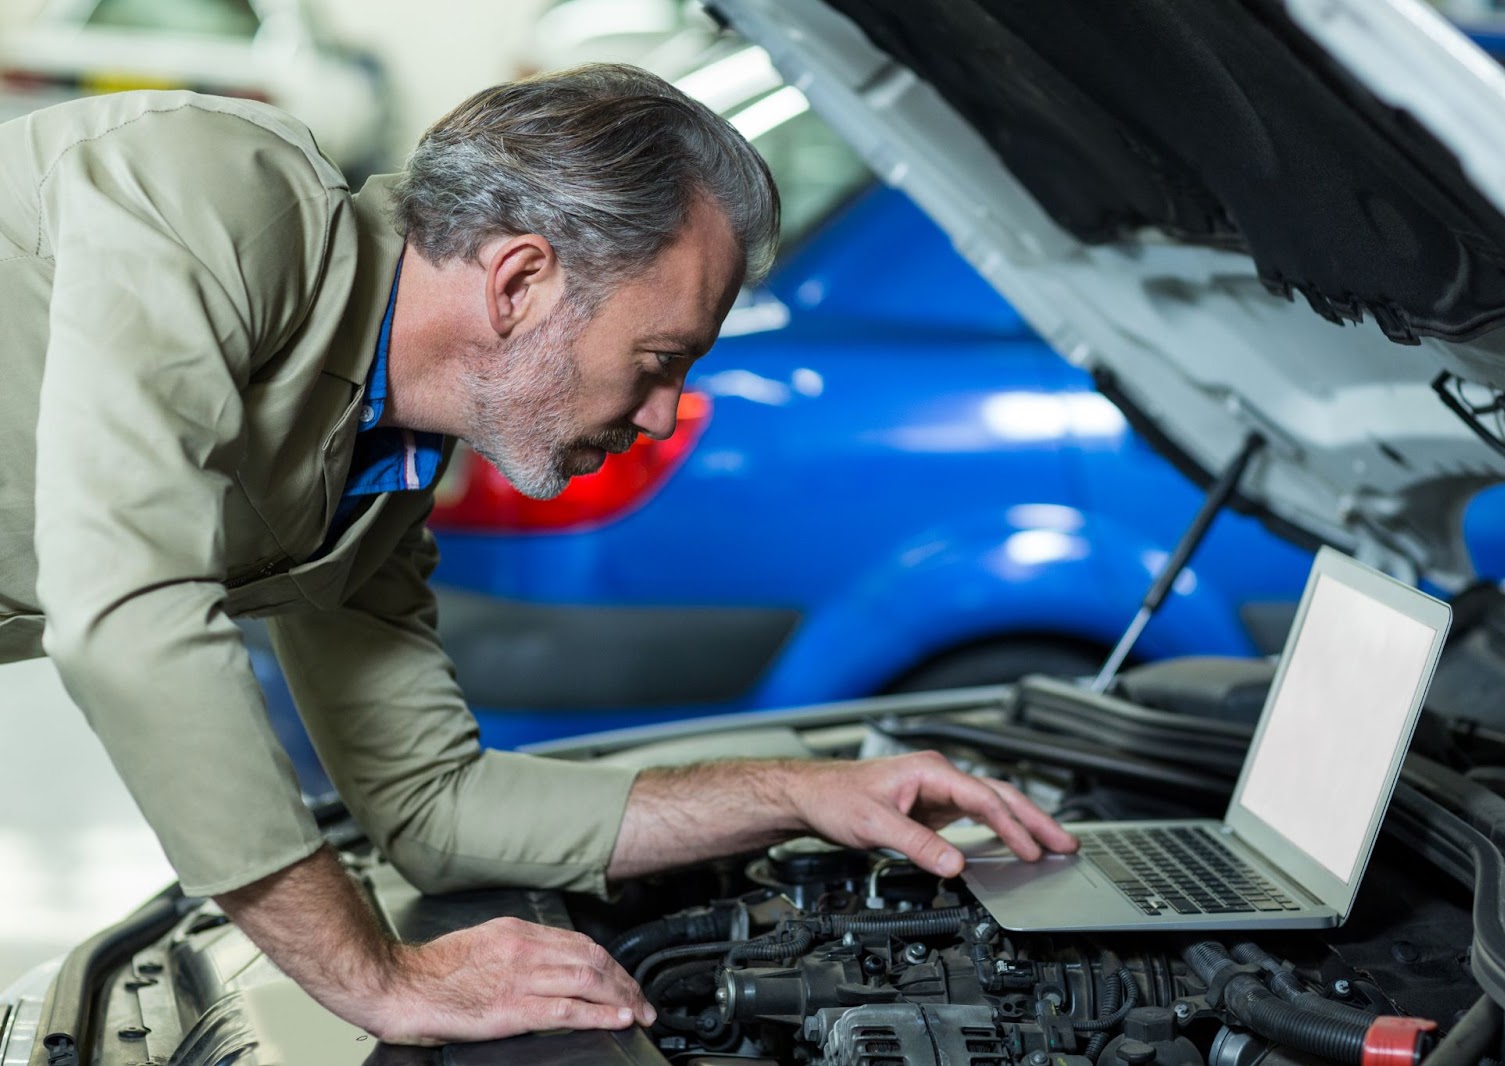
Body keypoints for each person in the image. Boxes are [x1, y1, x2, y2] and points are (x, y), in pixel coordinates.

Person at [0, 65, 1075, 1045]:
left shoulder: (379, 487)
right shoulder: (215, 195)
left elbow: (437, 809)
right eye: (660, 360)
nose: (662, 417)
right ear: (519, 283)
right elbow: (128, 615)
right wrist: (378, 973)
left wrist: (801, 791)